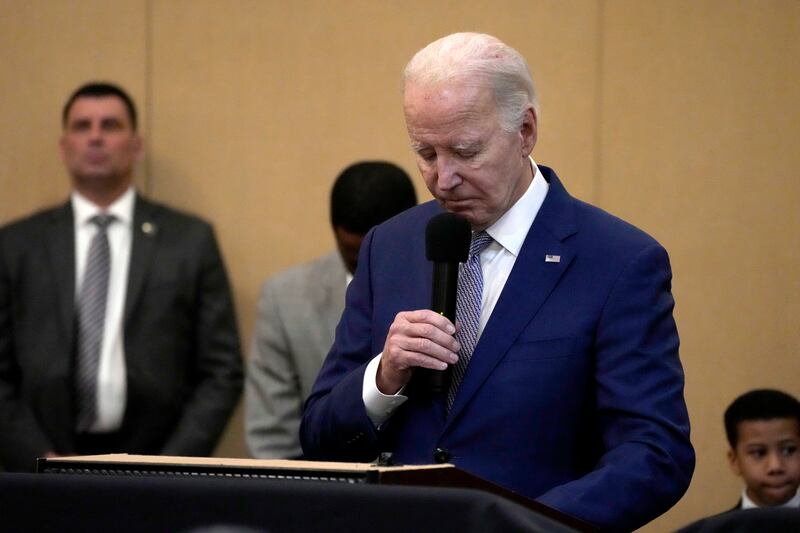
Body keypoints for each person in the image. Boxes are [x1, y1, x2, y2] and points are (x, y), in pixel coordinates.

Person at [300, 32, 694, 531]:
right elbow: (317, 435)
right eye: (425, 153)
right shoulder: (390, 246)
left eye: (465, 152)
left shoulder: (619, 261)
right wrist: (383, 378)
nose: (442, 179)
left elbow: (655, 454)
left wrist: (524, 524)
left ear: (525, 130)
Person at [0, 82, 243, 472]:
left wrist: (167, 465)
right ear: (64, 147)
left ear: (136, 145)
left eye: (110, 125)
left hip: (156, 464)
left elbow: (221, 370)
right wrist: (38, 458)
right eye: (82, 126)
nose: (96, 136)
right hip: (39, 466)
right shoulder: (17, 245)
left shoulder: (189, 240)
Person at [246, 161, 417, 459]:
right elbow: (272, 440)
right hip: (319, 493)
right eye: (353, 255)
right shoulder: (286, 298)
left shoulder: (454, 284)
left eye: (378, 252)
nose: (367, 266)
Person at [724, 389, 800, 510]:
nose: (775, 467)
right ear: (735, 461)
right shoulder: (714, 529)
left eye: (788, 450)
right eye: (759, 453)